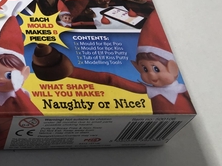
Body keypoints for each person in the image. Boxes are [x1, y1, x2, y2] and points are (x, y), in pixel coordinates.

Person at [33, 11, 195, 115]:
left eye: (156, 69)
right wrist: (70, 71)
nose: (151, 75)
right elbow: (110, 79)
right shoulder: (150, 90)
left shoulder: (186, 91)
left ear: (173, 68)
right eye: (145, 69)